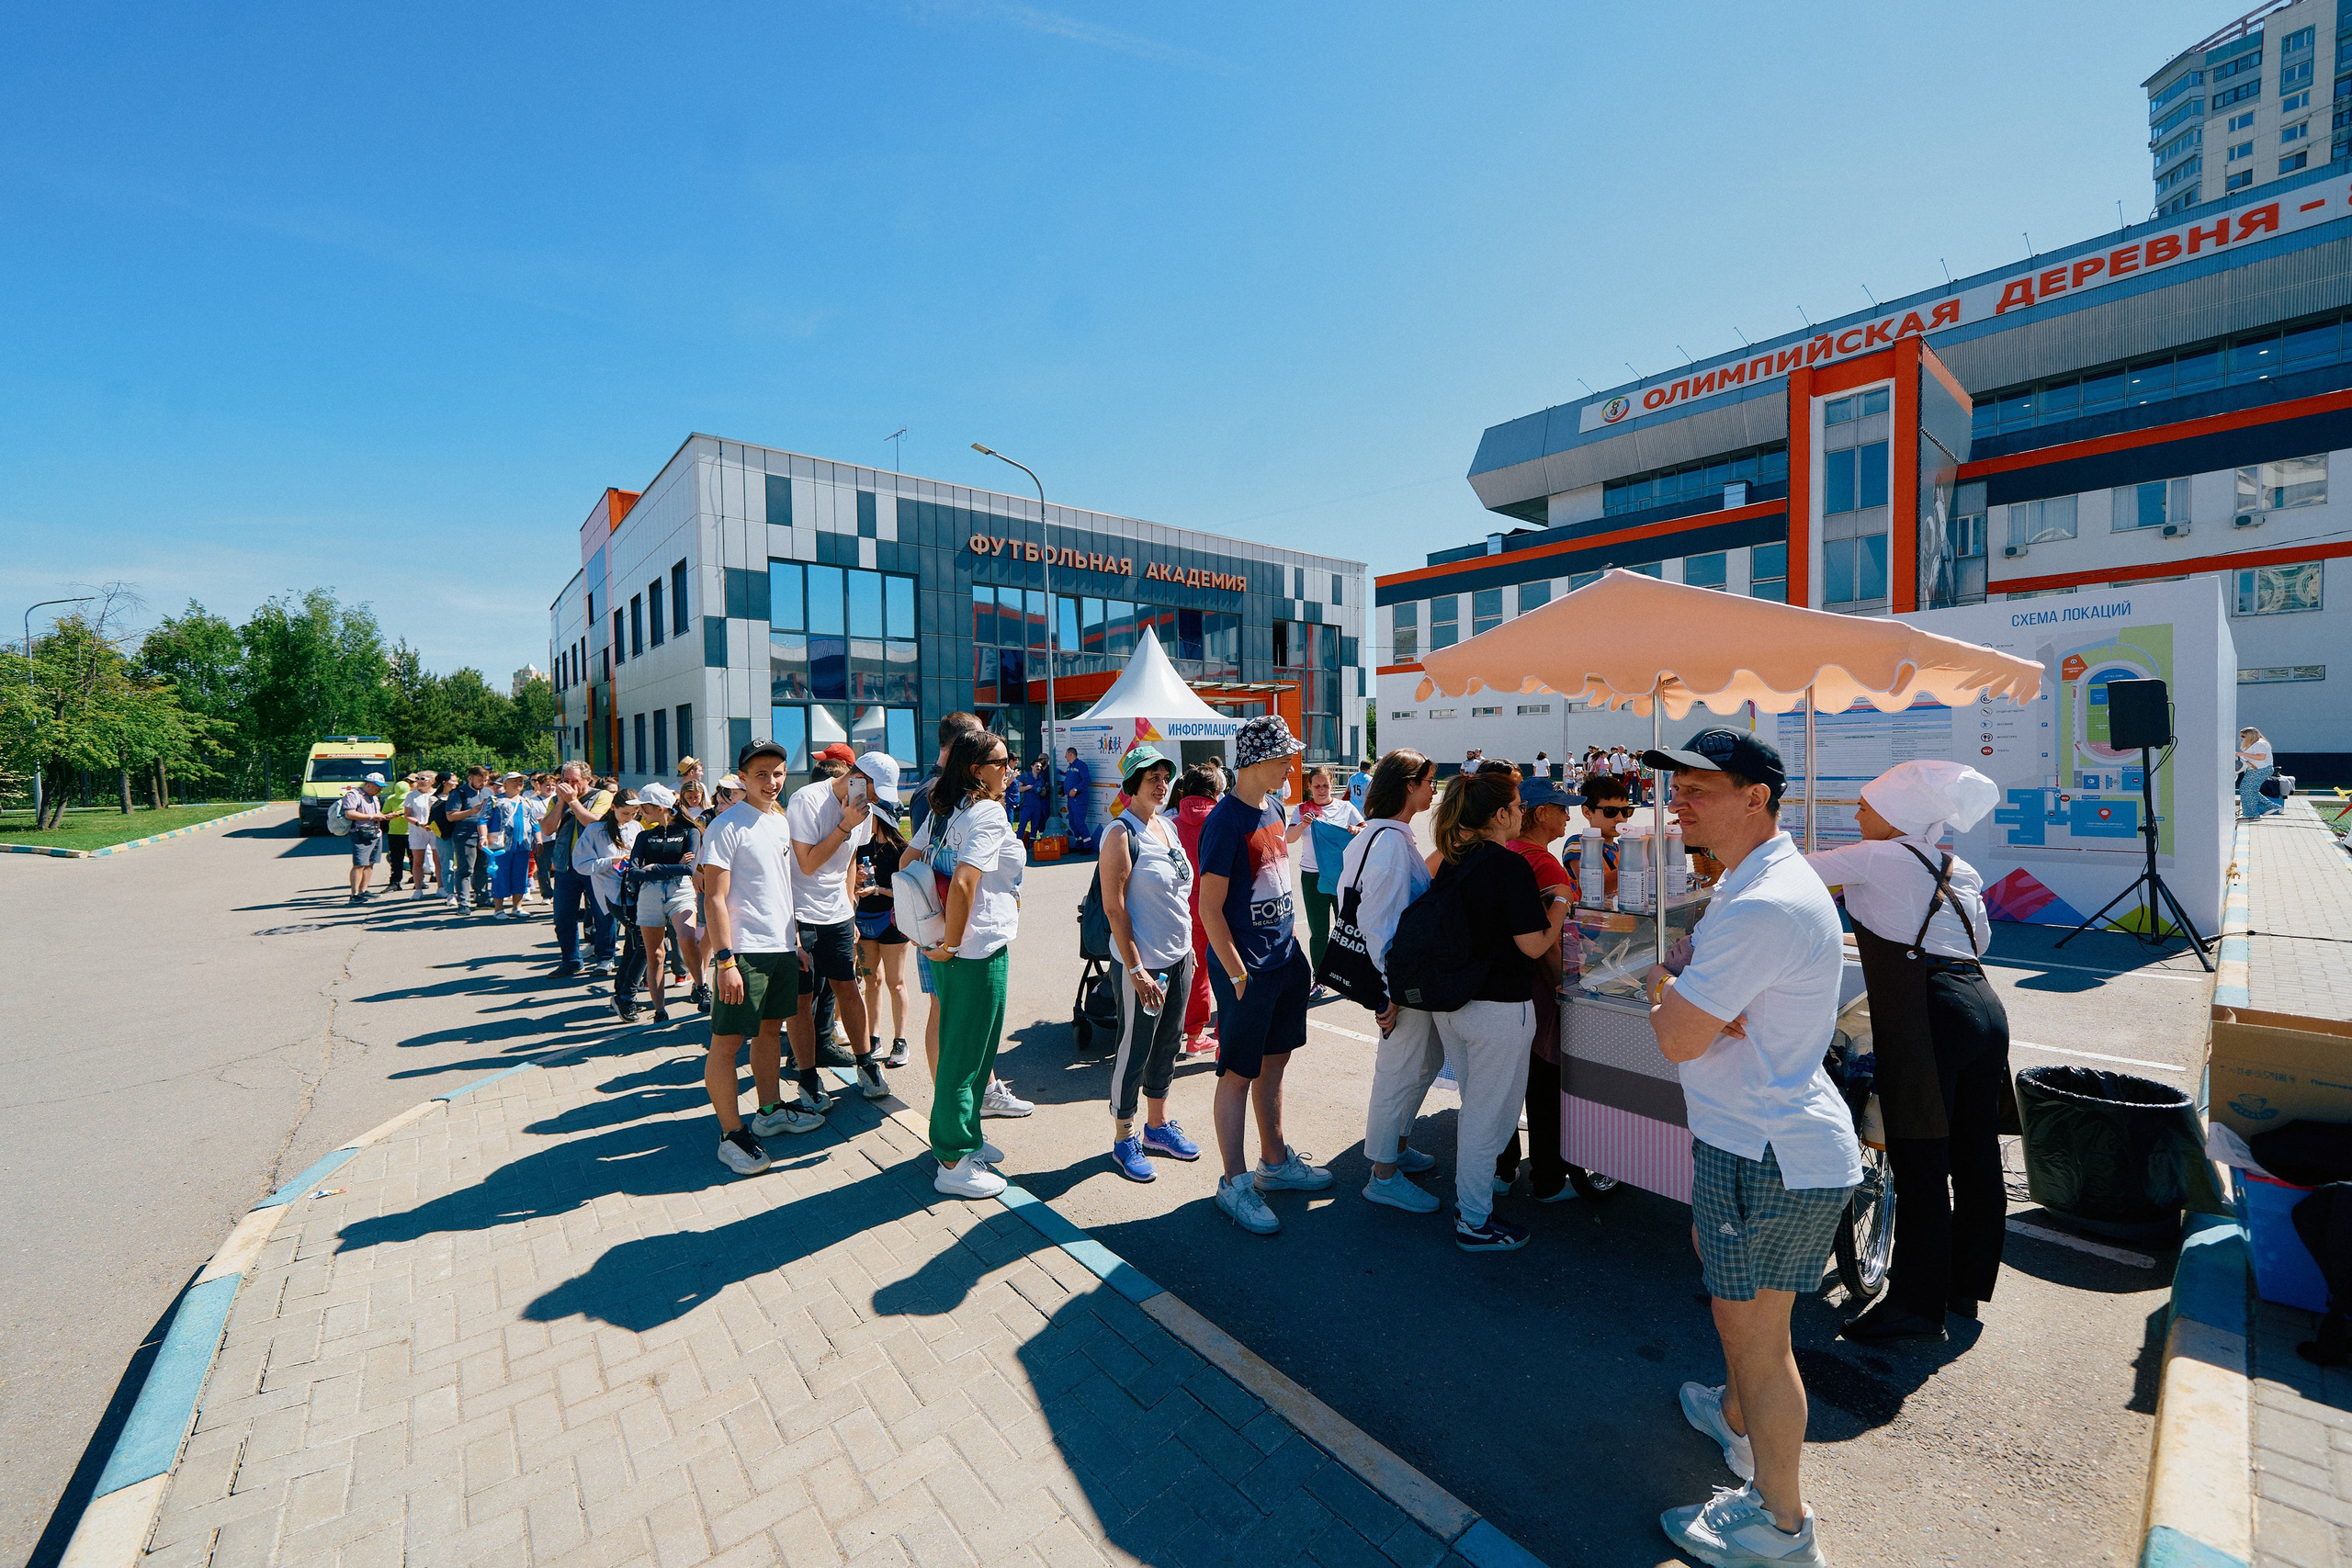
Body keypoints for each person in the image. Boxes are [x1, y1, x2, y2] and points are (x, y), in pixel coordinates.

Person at [1641, 728, 1859, 1566]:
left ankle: (1781, 1521)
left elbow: (1676, 1036)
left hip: (1767, 1151)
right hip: (1756, 1141)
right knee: (1745, 1326)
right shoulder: (1750, 882)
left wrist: (1672, 988)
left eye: (1700, 786)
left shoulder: (1763, 900)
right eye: (1679, 785)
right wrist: (1685, 987)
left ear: (1757, 797)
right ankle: (1734, 1419)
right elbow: (1690, 993)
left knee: (1759, 1347)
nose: (1680, 800)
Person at [1806, 760, 2007, 1346]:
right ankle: (1962, 1290)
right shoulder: (1958, 866)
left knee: (1918, 1161)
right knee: (1974, 1156)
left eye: (1865, 807)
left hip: (1929, 1019)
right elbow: (1977, 939)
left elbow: (1790, 874)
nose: (1857, 815)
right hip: (1984, 1009)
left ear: (1895, 818)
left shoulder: (1876, 857)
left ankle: (1915, 1309)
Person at [1374, 771, 1551, 1251]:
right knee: (1486, 1116)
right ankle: (1473, 1220)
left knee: (1479, 1109)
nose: (1522, 813)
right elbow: (1533, 944)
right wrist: (1559, 907)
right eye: (1516, 806)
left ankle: (1474, 1203)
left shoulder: (1453, 862)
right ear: (1499, 815)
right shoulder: (1509, 867)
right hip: (1500, 1010)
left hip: (1454, 1005)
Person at [1195, 715, 1332, 1235]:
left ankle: (1273, 1164)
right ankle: (1233, 1184)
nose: (1291, 764)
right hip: (1246, 970)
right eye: (1283, 756)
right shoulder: (1224, 820)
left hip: (1284, 959)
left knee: (1273, 1066)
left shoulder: (1272, 806)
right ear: (1254, 761)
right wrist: (1236, 974)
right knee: (1236, 1075)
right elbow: (1209, 908)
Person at [701, 739, 826, 1174]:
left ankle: (769, 1111)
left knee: (771, 1032)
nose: (771, 782)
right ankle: (731, 1135)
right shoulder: (726, 825)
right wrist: (725, 961)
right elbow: (713, 899)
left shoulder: (778, 820)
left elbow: (779, 887)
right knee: (727, 1043)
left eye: (777, 773)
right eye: (761, 774)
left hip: (780, 948)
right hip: (744, 952)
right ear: (741, 778)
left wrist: (792, 943)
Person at [919, 727, 1027, 1199]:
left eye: (1010, 761)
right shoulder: (985, 812)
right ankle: (953, 1159)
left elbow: (909, 859)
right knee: (966, 1056)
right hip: (973, 949)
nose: (1010, 770)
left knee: (973, 1053)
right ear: (974, 770)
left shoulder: (948, 810)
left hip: (954, 945)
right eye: (1001, 763)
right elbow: (964, 882)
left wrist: (941, 936)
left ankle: (968, 1141)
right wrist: (954, 943)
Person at [1345, 750, 1452, 1211]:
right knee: (1398, 1073)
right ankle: (1382, 1175)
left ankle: (1396, 1150)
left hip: (1402, 982)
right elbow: (1378, 925)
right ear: (1408, 784)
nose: (1433, 788)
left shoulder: (1384, 835)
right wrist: (1386, 995)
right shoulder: (1388, 842)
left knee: (1421, 1065)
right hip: (1399, 985)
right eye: (1429, 780)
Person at [1098, 743, 1202, 1183]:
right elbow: (1115, 908)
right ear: (1132, 786)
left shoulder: (1168, 827)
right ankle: (1124, 1138)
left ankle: (1157, 1128)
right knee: (1134, 1048)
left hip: (1179, 958)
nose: (1161, 785)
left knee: (1168, 1045)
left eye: (1165, 777)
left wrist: (1190, 950)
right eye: (1151, 778)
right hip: (1144, 965)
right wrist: (1137, 969)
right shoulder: (1121, 834)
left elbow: (1179, 893)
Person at [786, 748, 898, 1105]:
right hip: (800, 913)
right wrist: (844, 824)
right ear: (857, 778)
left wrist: (849, 906)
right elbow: (806, 865)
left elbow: (850, 858)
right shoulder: (807, 800)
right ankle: (807, 1079)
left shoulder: (864, 809)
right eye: (875, 791)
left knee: (848, 988)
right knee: (803, 1000)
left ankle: (866, 1066)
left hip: (837, 913)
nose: (876, 801)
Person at [1495, 775, 1577, 1205]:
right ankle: (1548, 1179)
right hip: (1538, 989)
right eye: (1562, 808)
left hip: (1500, 987)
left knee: (1505, 1086)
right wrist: (1565, 988)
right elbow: (1545, 945)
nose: (1568, 815)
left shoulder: (1504, 850)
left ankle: (1502, 1170)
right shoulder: (1545, 864)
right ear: (1540, 812)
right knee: (1544, 1086)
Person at [623, 782, 705, 1022]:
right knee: (655, 955)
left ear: (660, 808)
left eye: (644, 807)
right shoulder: (644, 835)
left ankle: (701, 987)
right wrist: (672, 867)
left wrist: (654, 867)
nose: (640, 812)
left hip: (680, 891)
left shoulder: (690, 831)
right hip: (649, 894)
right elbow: (634, 872)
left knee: (687, 938)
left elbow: (688, 869)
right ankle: (659, 1011)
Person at [1287, 764, 1363, 982]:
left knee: (1347, 930)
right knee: (1319, 932)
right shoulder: (1302, 809)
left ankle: (1346, 975)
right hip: (1313, 875)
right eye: (1317, 785)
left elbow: (1366, 830)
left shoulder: (1346, 808)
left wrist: (1357, 830)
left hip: (1343, 876)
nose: (1322, 790)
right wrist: (1302, 825)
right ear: (1309, 786)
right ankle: (1319, 978)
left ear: (1332, 785)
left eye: (1326, 785)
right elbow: (1289, 838)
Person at [544, 761, 617, 977]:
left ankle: (605, 958)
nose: (569, 785)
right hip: (567, 864)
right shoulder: (558, 799)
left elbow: (593, 822)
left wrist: (572, 801)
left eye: (574, 780)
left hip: (597, 864)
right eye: (565, 781)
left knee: (602, 913)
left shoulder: (602, 796)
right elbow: (547, 829)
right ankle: (571, 960)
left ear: (588, 779)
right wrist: (560, 803)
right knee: (563, 915)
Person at [1170, 764, 1223, 1055]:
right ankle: (1223, 1040)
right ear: (1215, 792)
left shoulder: (1171, 824)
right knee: (1229, 974)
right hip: (1220, 906)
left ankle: (1193, 1035)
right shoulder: (1221, 819)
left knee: (1194, 973)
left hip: (1182, 908)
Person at [854, 811, 912, 1067]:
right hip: (864, 918)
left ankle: (900, 1040)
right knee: (871, 980)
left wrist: (877, 889)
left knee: (895, 982)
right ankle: (873, 1036)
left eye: (869, 815)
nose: (863, 819)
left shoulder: (901, 849)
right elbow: (848, 884)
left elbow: (907, 891)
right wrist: (855, 881)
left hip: (892, 920)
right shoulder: (858, 845)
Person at [574, 787, 639, 996]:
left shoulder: (636, 827)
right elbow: (581, 864)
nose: (630, 818)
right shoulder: (596, 830)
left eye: (634, 813)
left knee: (635, 939)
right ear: (613, 808)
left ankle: (625, 986)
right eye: (625, 813)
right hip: (610, 892)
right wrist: (608, 862)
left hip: (634, 891)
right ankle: (625, 987)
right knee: (638, 937)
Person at [1564, 773, 1634, 899]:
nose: (1620, 818)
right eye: (1610, 811)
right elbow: (1591, 887)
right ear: (1587, 812)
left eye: (1625, 811)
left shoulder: (1623, 850)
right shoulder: (1578, 843)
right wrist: (1634, 864)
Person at [443, 764, 496, 914]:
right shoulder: (459, 793)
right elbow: (451, 816)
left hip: (485, 836)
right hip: (465, 836)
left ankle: (482, 897)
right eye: (480, 780)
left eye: (486, 780)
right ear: (470, 778)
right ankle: (464, 903)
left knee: (483, 868)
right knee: (465, 869)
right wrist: (472, 811)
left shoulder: (487, 791)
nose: (483, 783)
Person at [485, 772, 539, 917]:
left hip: (523, 844)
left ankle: (517, 907)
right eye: (514, 781)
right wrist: (483, 837)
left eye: (520, 781)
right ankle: (498, 909)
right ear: (505, 784)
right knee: (500, 875)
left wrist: (538, 840)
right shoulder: (494, 800)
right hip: (501, 845)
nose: (518, 783)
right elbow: (483, 820)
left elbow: (534, 824)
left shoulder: (526, 802)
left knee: (520, 875)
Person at [340, 772, 389, 902]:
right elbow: (349, 814)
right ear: (368, 785)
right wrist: (372, 817)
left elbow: (376, 812)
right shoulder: (353, 795)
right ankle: (354, 894)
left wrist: (384, 816)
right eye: (377, 787)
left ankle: (364, 890)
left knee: (370, 863)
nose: (379, 790)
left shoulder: (374, 797)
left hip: (375, 832)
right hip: (360, 832)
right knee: (360, 864)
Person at [402, 772, 440, 898]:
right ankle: (418, 889)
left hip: (435, 831)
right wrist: (419, 824)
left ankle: (441, 888)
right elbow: (407, 815)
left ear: (432, 781)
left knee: (438, 860)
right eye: (417, 779)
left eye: (423, 779)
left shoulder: (438, 794)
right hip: (417, 831)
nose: (419, 781)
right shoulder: (411, 796)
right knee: (418, 861)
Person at [2238, 726, 2282, 818]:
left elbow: (2261, 757)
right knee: (2249, 790)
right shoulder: (2260, 743)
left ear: (2250, 736)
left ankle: (2252, 814)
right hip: (2260, 769)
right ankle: (2271, 806)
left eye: (2243, 736)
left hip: (2259, 770)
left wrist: (2243, 754)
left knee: (2246, 790)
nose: (2242, 739)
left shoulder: (2259, 744)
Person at [381, 775, 411, 892]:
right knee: (396, 858)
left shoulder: (412, 797)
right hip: (395, 832)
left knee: (414, 857)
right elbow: (384, 814)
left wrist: (401, 813)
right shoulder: (391, 799)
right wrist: (389, 815)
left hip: (411, 831)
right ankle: (395, 881)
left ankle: (419, 879)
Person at [1063, 745, 1094, 851]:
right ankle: (1079, 843)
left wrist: (1076, 789)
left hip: (1079, 799)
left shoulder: (1080, 765)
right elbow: (1068, 781)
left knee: (1079, 822)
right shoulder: (1069, 767)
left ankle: (1088, 845)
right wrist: (1062, 790)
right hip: (1070, 799)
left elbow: (1087, 780)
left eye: (1066, 754)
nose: (1065, 756)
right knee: (1072, 822)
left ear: (1071, 754)